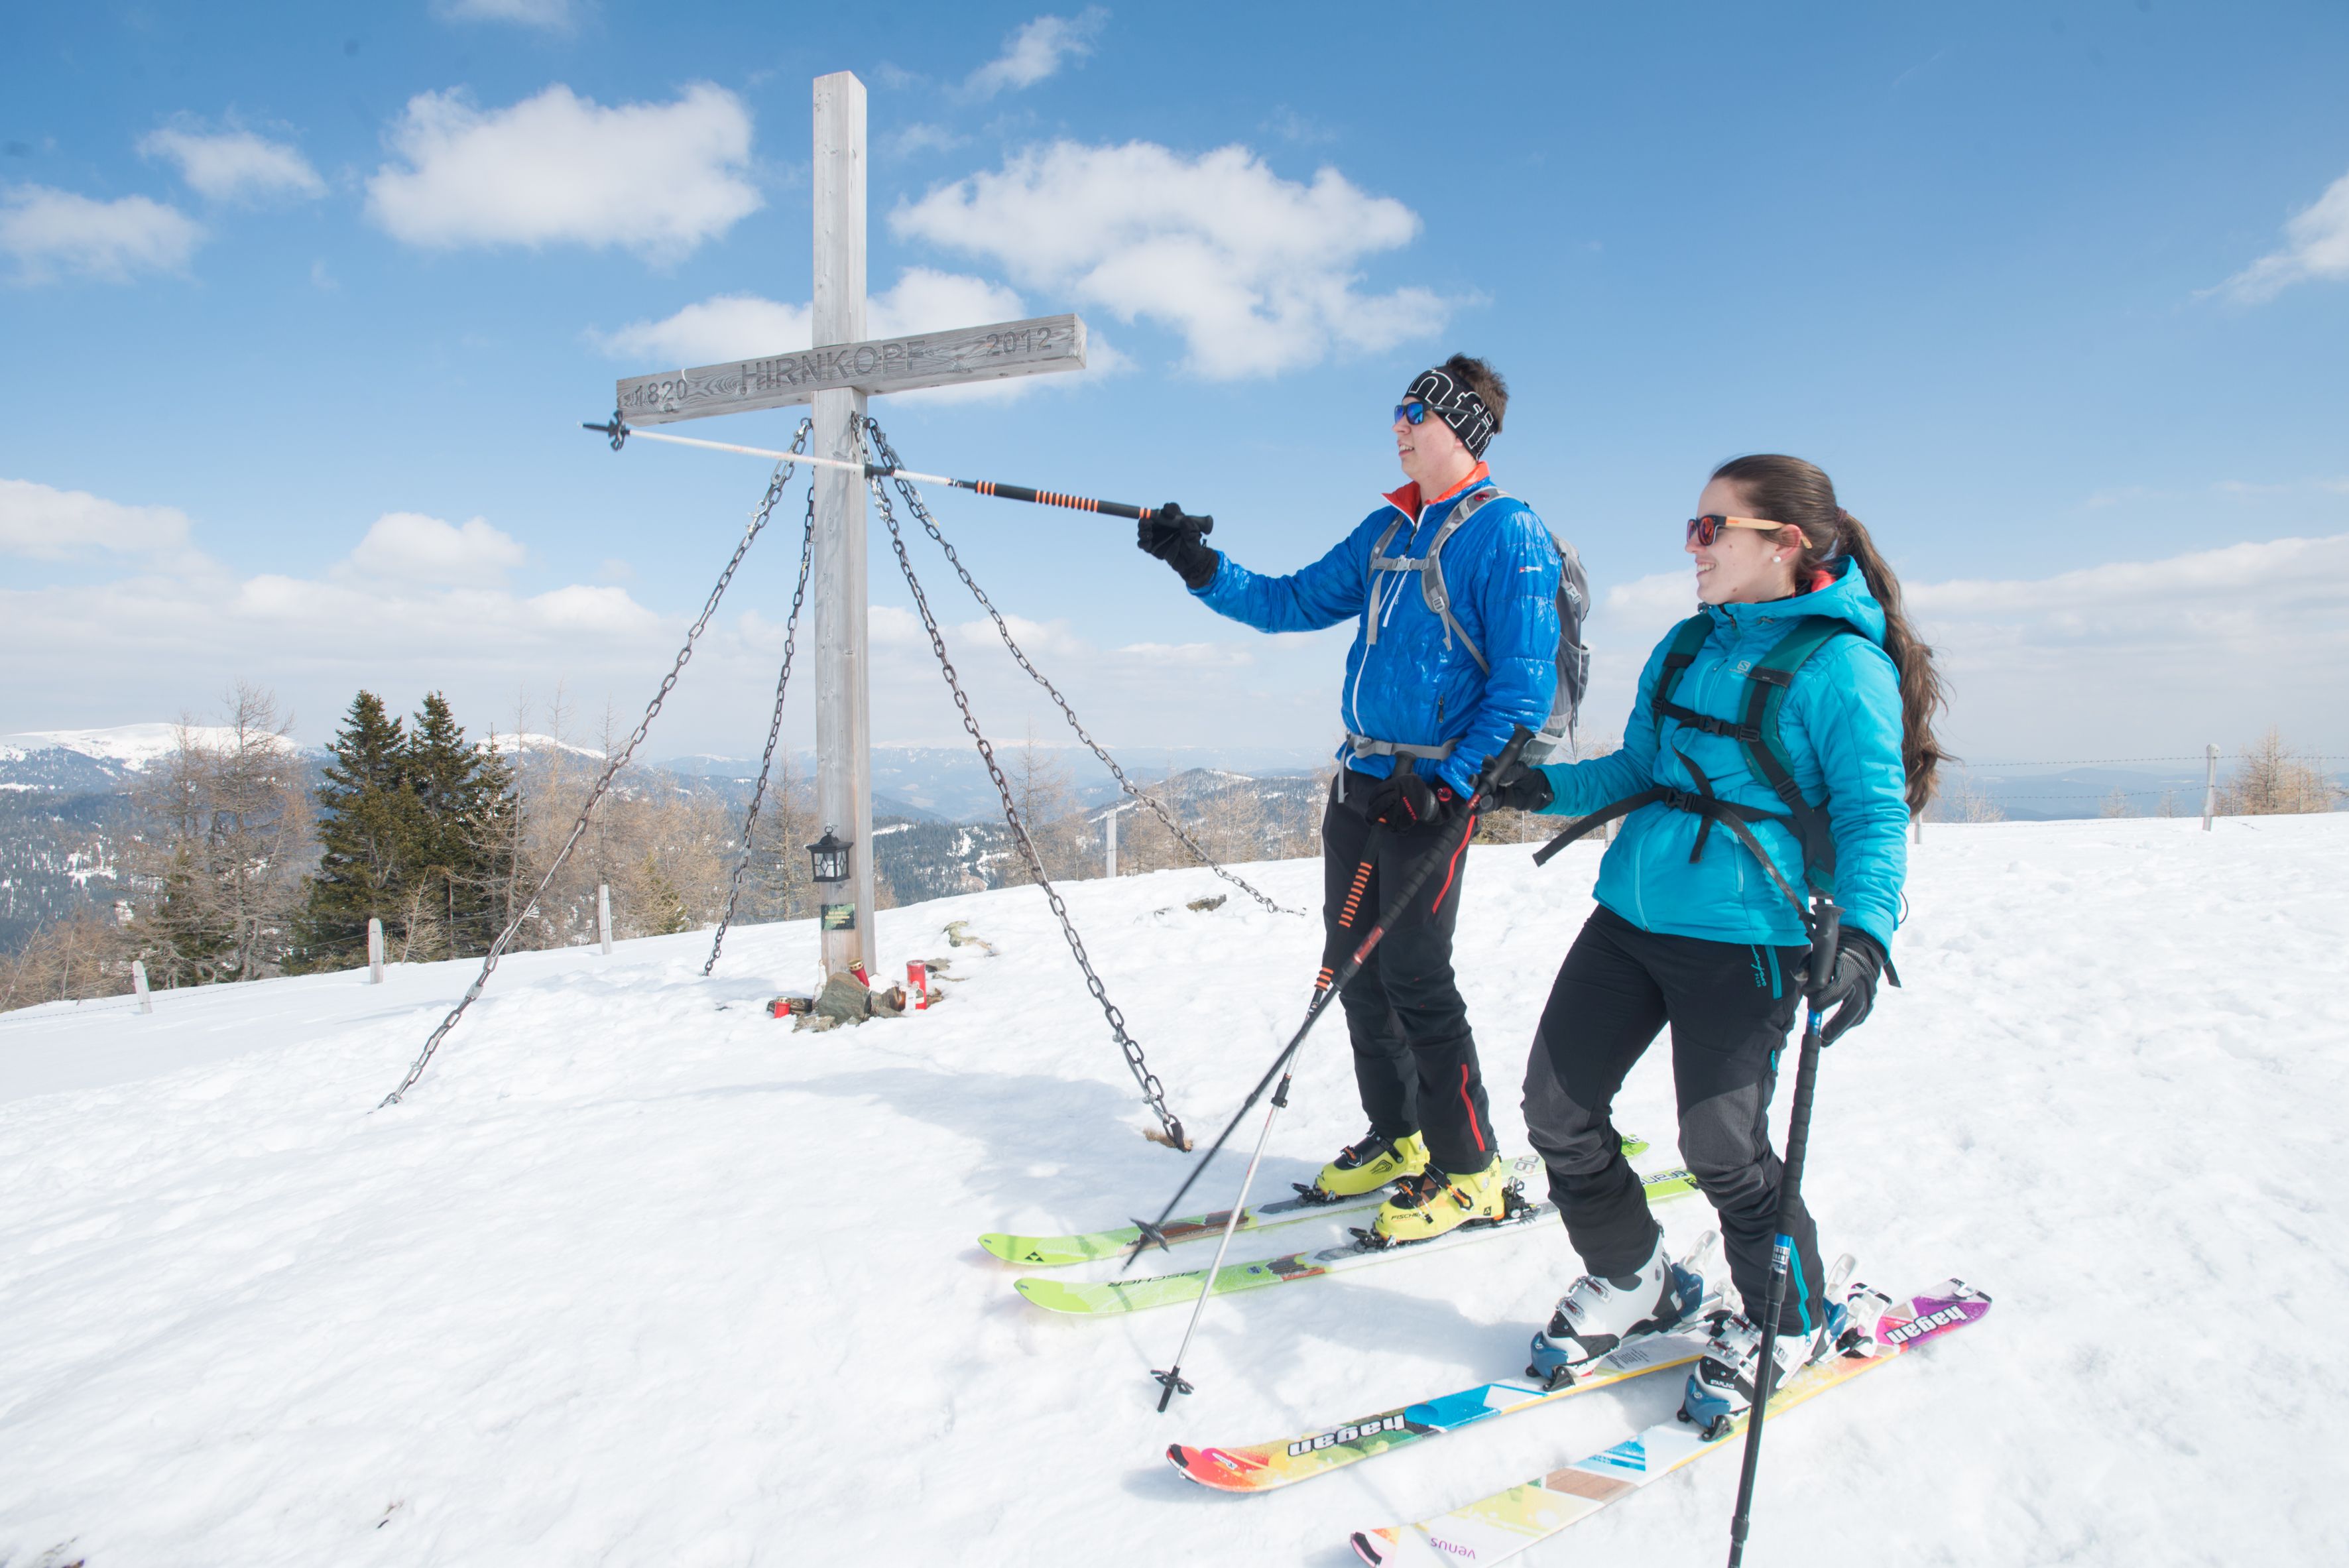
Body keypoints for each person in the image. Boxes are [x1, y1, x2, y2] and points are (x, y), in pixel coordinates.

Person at [1487, 452, 1946, 1425]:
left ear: (1784, 543)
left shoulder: (1842, 666)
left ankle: (1790, 1317)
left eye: (1710, 528)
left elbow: (1872, 815)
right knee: (1557, 1111)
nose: (1691, 546)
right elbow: (1638, 768)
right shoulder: (1689, 642)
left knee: (1723, 1149)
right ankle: (1634, 1277)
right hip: (1631, 916)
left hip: (1749, 938)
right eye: (1691, 527)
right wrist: (1538, 788)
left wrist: (1864, 936)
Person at [1137, 356, 1579, 1243]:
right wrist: (1197, 563)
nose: (1399, 426)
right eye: (1399, 412)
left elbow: (1523, 688)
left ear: (1462, 426)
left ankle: (1471, 1171)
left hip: (1434, 793)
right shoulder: (1388, 528)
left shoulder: (1510, 534)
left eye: (1416, 412)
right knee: (1355, 971)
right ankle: (1399, 1136)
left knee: (1416, 975)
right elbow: (1291, 602)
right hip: (1360, 782)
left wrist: (1449, 787)